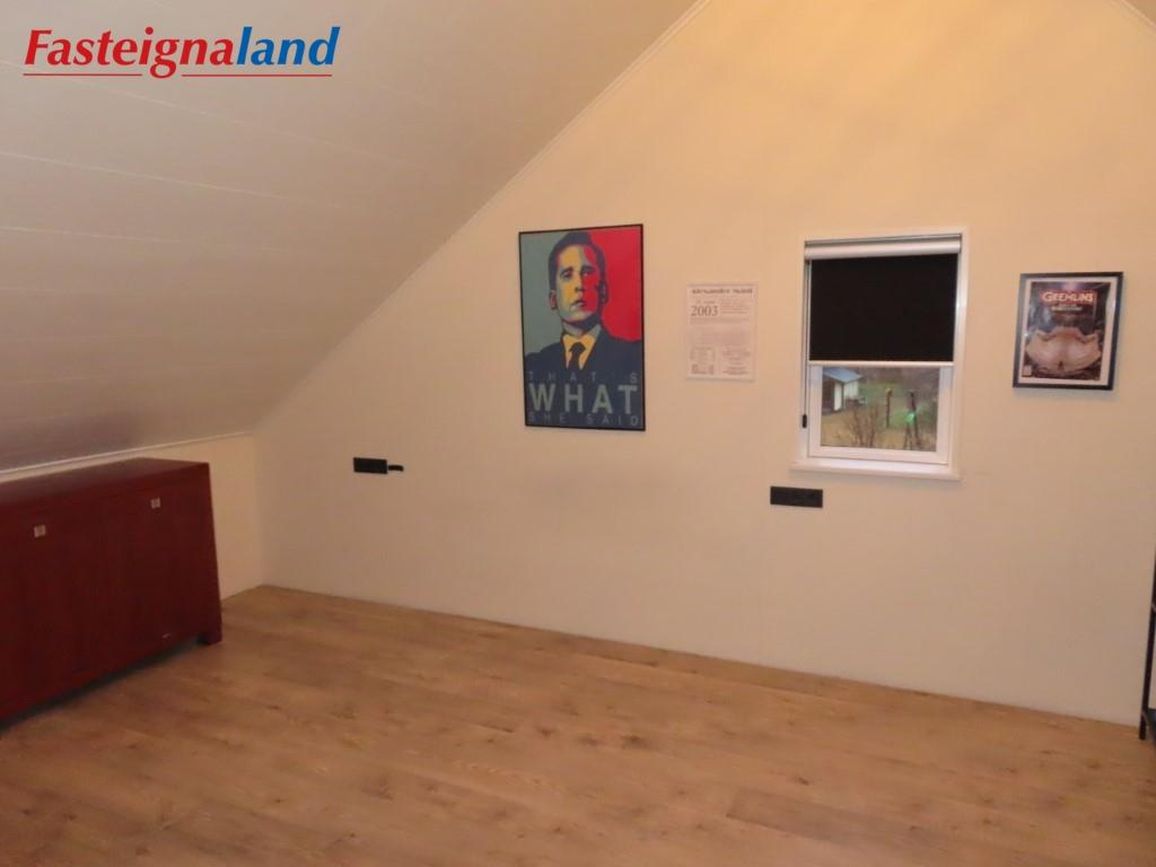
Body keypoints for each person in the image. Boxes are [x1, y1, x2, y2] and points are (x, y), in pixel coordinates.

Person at [523, 231, 641, 378]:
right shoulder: (534, 366)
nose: (579, 284)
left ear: (603, 291)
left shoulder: (634, 357)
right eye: (567, 275)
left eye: (587, 272)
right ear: (553, 299)